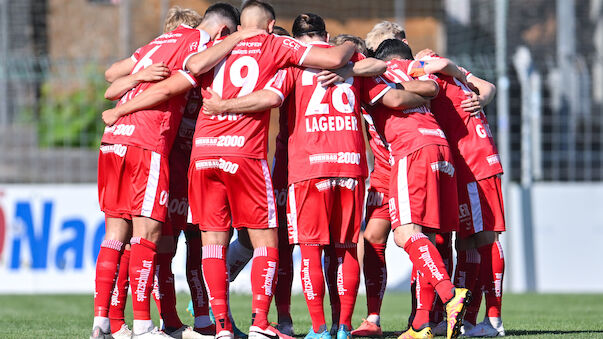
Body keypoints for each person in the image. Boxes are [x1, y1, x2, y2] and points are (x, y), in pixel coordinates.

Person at [200, 12, 436, 339]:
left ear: (293, 38)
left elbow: (271, 97)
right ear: (325, 34)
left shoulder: (291, 63)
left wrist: (223, 107)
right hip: (350, 164)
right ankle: (342, 326)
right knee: (346, 249)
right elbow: (381, 71)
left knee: (303, 248)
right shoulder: (352, 57)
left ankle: (317, 328)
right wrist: (350, 67)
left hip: (306, 167)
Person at [92, 3, 251, 339]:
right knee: (154, 239)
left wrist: (124, 100)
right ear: (222, 33)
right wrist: (245, 37)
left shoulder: (157, 44)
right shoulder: (199, 46)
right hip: (155, 146)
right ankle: (149, 324)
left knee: (123, 237)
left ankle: (109, 323)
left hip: (120, 142)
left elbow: (110, 82)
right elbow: (165, 89)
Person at [370, 39, 471, 339]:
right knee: (426, 237)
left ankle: (450, 294)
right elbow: (433, 89)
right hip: (441, 148)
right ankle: (420, 324)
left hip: (410, 150)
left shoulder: (372, 74)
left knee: (405, 233)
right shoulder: (412, 69)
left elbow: (395, 102)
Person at [414, 48, 504, 337]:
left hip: (473, 162)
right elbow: (489, 87)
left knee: (483, 239)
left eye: (422, 61)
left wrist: (418, 64)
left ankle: (491, 320)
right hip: (474, 160)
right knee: (469, 240)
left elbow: (441, 63)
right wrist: (482, 97)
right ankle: (469, 319)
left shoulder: (438, 75)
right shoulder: (458, 79)